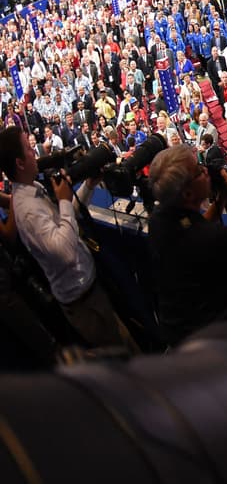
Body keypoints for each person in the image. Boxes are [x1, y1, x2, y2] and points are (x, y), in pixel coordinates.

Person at [0, 126, 136, 350]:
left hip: (91, 289)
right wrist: (63, 200)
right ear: (19, 163)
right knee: (123, 358)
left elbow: (66, 223)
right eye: (28, 148)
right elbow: (65, 250)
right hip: (84, 303)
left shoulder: (31, 187)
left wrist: (88, 187)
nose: (35, 151)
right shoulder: (27, 210)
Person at [147, 147, 227, 345]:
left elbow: (195, 224)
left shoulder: (159, 220)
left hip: (178, 335)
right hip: (216, 340)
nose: (206, 171)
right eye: (198, 171)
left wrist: (222, 199)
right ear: (187, 193)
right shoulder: (212, 237)